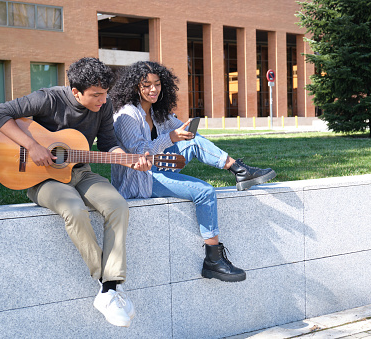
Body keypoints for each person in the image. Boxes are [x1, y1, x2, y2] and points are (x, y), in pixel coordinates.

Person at [0, 57, 151, 328]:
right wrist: (32, 146)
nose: (103, 100)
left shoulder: (104, 106)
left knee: (117, 205)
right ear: (76, 91)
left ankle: (110, 288)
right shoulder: (48, 99)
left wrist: (128, 158)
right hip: (41, 179)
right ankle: (106, 282)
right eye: (96, 95)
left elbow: (109, 144)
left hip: (80, 171)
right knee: (73, 208)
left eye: (105, 94)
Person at [109, 61, 276, 282]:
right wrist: (171, 137)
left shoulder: (158, 113)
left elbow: (185, 134)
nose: (153, 89)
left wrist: (184, 132)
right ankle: (213, 260)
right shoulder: (127, 115)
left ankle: (238, 169)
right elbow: (139, 153)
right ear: (134, 86)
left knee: (194, 140)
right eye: (146, 85)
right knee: (205, 191)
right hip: (138, 179)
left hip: (156, 168)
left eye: (157, 84)